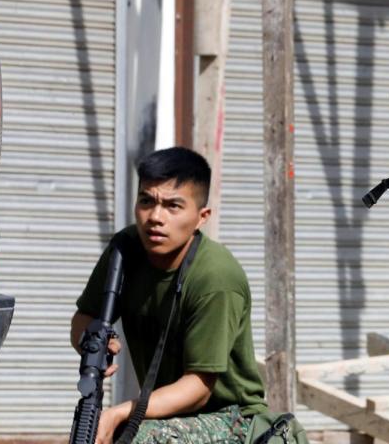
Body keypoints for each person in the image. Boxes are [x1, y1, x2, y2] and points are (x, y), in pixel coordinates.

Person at [71, 147, 268, 444]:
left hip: (235, 421)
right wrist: (92, 344)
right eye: (146, 201)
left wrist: (121, 411)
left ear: (202, 217)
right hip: (169, 415)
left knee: (131, 435)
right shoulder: (125, 249)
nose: (155, 217)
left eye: (173, 206)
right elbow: (85, 317)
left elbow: (199, 387)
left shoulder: (215, 277)